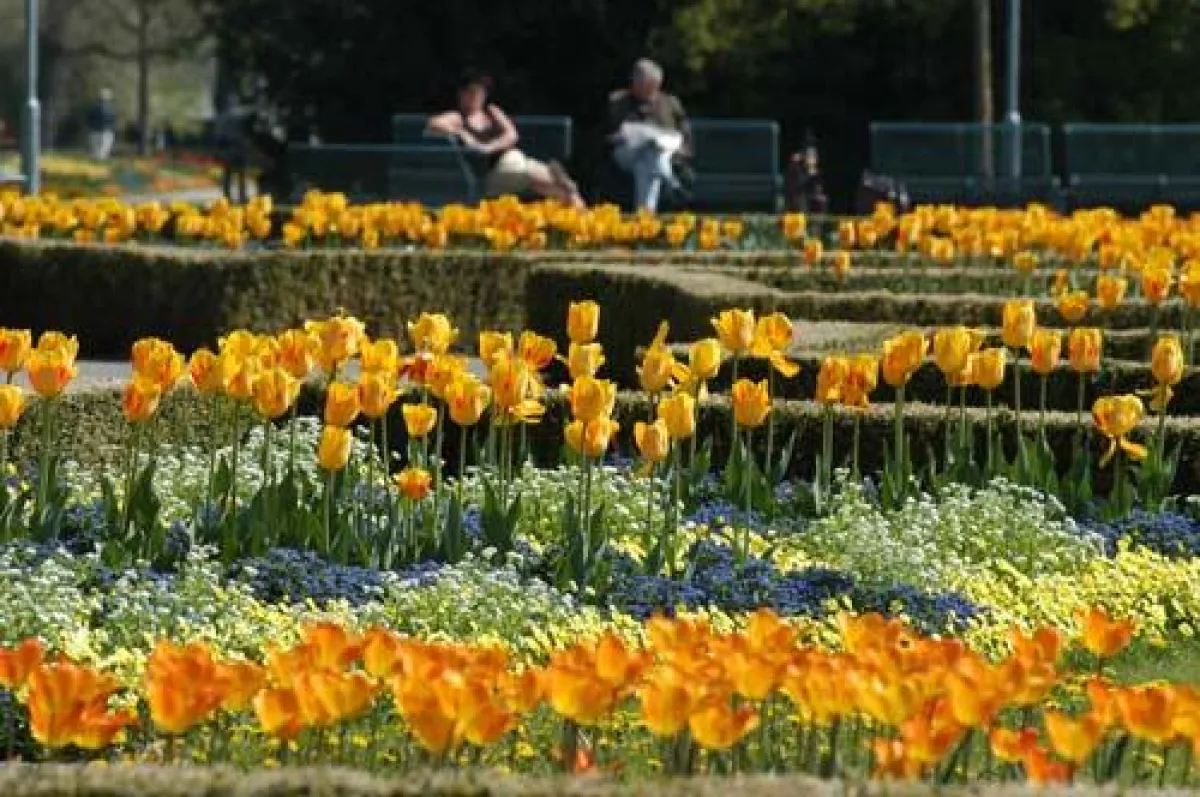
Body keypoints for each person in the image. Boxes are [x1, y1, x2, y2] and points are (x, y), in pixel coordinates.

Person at [426, 71, 584, 207]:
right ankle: (567, 191)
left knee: (553, 184)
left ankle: (577, 214)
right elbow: (434, 125)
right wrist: (464, 134)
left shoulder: (492, 112)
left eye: (480, 92)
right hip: (491, 174)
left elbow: (512, 135)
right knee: (541, 177)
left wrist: (490, 147)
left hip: (512, 160)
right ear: (461, 94)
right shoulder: (458, 117)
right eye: (471, 92)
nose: (476, 97)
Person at [607, 59, 692, 213]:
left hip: (664, 154)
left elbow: (683, 131)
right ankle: (672, 183)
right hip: (627, 152)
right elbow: (604, 134)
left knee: (646, 163)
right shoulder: (618, 101)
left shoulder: (670, 103)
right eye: (642, 86)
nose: (647, 92)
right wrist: (617, 137)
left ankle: (644, 219)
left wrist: (682, 148)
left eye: (651, 87)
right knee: (649, 154)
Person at [215, 91, 249, 203]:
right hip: (230, 147)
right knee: (231, 174)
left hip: (236, 147)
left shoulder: (237, 115)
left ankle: (239, 197)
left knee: (238, 175)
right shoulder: (232, 116)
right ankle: (229, 197)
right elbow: (220, 135)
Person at [786, 132, 828, 214]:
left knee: (821, 200)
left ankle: (817, 226)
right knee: (800, 201)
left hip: (811, 189)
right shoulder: (796, 164)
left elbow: (818, 186)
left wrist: (813, 173)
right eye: (808, 155)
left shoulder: (815, 168)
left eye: (813, 156)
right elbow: (793, 184)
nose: (811, 158)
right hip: (799, 192)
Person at [86, 89, 116, 161]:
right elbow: (112, 121)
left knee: (98, 151)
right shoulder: (108, 109)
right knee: (101, 151)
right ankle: (97, 160)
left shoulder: (96, 108)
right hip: (103, 132)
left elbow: (89, 119)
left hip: (97, 131)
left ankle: (96, 160)